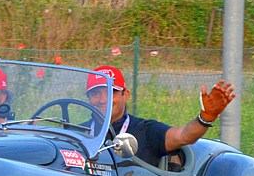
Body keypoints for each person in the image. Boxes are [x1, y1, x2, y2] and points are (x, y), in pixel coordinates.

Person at [86, 65, 235, 167]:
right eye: (95, 94)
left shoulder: (146, 131)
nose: (103, 99)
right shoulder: (77, 132)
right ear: (88, 99)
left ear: (126, 95)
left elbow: (184, 136)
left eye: (111, 92)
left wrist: (206, 116)